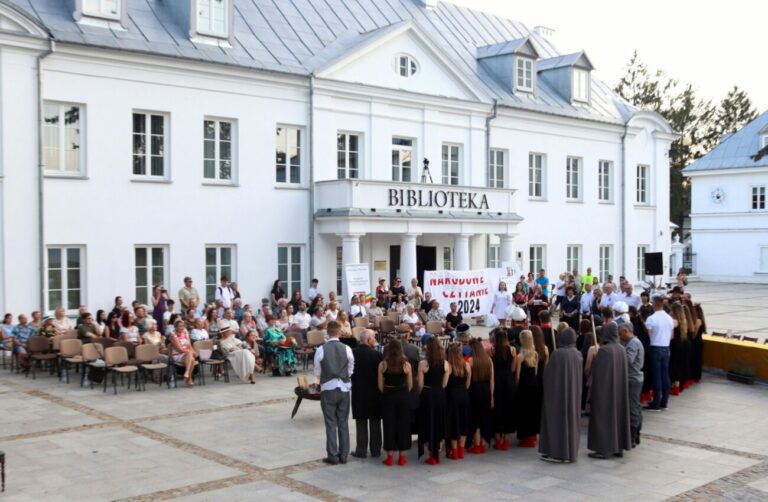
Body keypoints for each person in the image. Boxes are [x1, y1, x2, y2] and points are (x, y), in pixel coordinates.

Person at [587, 323, 632, 459]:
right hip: (619, 390)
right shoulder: (621, 349)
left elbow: (598, 373)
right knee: (618, 417)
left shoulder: (605, 351)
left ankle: (604, 448)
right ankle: (618, 447)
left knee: (604, 417)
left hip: (605, 391)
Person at [539, 328, 583, 463]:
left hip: (558, 394)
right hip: (572, 394)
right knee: (570, 421)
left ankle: (558, 451)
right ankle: (568, 451)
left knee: (557, 421)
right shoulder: (577, 354)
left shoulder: (558, 354)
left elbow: (548, 375)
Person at [314, 321, 355, 464]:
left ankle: (332, 455)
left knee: (330, 422)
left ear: (328, 332)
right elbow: (351, 368)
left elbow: (317, 372)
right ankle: (344, 454)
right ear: (339, 332)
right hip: (343, 387)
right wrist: (345, 377)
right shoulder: (347, 348)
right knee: (343, 421)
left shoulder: (321, 349)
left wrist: (321, 381)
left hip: (328, 387)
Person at [378, 339, 413, 467]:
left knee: (389, 425)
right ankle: (402, 457)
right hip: (402, 395)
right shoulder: (406, 364)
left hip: (388, 395)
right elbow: (410, 385)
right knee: (403, 425)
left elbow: (380, 386)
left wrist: (387, 391)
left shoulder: (383, 364)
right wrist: (403, 392)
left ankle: (390, 457)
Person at [417, 337, 450, 465]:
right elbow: (444, 384)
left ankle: (431, 454)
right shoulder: (446, 363)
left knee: (427, 423)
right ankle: (437, 453)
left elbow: (420, 384)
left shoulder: (423, 364)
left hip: (427, 394)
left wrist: (420, 395)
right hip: (440, 395)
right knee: (438, 422)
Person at [351, 330, 383, 459]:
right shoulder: (377, 355)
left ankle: (361, 450)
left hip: (359, 392)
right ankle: (375, 450)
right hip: (374, 393)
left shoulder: (352, 353)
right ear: (368, 339)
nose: (375, 340)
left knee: (361, 422)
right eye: (374, 338)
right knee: (375, 422)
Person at [619, 323, 644, 448]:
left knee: (633, 408)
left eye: (621, 333)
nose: (619, 336)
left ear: (626, 331)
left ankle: (633, 436)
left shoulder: (633, 343)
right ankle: (635, 434)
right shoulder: (632, 342)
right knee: (635, 407)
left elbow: (628, 360)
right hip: (634, 378)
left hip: (633, 379)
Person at [445, 343, 471, 460]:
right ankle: (461, 450)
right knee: (464, 421)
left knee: (454, 422)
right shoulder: (466, 365)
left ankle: (454, 452)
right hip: (464, 395)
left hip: (452, 396)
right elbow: (468, 383)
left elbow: (444, 384)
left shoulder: (449, 367)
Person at [468, 338, 494, 454]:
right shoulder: (489, 360)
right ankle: (484, 442)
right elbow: (492, 380)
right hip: (486, 390)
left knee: (476, 417)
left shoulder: (471, 361)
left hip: (474, 390)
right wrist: (492, 395)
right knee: (485, 416)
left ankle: (477, 444)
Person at [515, 330, 540, 448]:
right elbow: (535, 372)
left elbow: (518, 376)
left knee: (524, 410)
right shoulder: (535, 354)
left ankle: (526, 436)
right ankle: (533, 434)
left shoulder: (520, 356)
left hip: (524, 386)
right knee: (533, 409)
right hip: (533, 384)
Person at [169, 320, 196, 386]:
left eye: (183, 326)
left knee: (191, 358)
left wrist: (193, 351)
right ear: (176, 327)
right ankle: (188, 377)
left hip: (186, 354)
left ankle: (187, 376)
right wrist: (190, 352)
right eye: (180, 326)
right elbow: (179, 349)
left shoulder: (186, 334)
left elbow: (189, 346)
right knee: (191, 358)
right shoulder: (173, 336)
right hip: (177, 355)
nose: (182, 327)